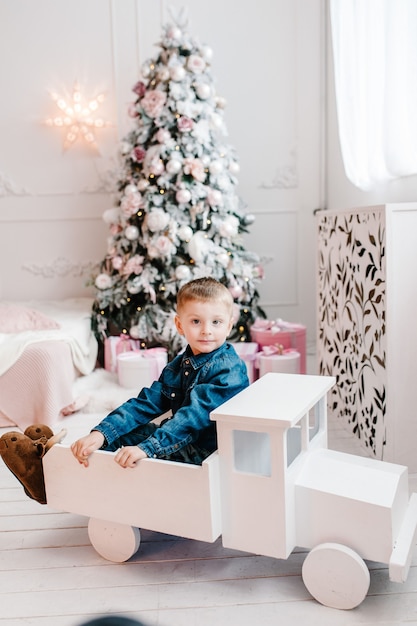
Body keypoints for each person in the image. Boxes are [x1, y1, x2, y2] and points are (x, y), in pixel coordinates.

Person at [71, 277, 249, 468]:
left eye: (216, 322)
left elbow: (191, 418)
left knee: (140, 452)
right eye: (196, 321)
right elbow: (146, 403)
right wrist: (101, 433)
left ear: (229, 326)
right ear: (180, 325)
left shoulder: (228, 369)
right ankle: (77, 470)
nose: (206, 330)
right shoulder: (180, 364)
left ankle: (98, 478)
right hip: (182, 439)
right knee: (116, 436)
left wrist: (148, 447)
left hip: (210, 453)